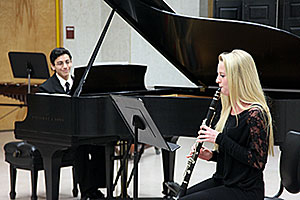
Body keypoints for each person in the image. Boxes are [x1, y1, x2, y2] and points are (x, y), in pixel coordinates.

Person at [181, 49, 274, 200]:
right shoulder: (229, 108)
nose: (217, 80)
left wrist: (219, 138)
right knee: (181, 196)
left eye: (222, 76)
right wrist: (211, 156)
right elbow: (235, 156)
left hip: (245, 190)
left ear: (238, 78)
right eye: (218, 75)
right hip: (223, 180)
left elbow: (257, 161)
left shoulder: (255, 114)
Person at [39, 47, 106, 200]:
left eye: (67, 62)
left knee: (101, 145)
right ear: (52, 66)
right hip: (61, 134)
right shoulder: (46, 88)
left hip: (81, 130)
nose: (65, 67)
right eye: (60, 63)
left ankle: (97, 188)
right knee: (80, 149)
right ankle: (87, 192)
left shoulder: (82, 83)